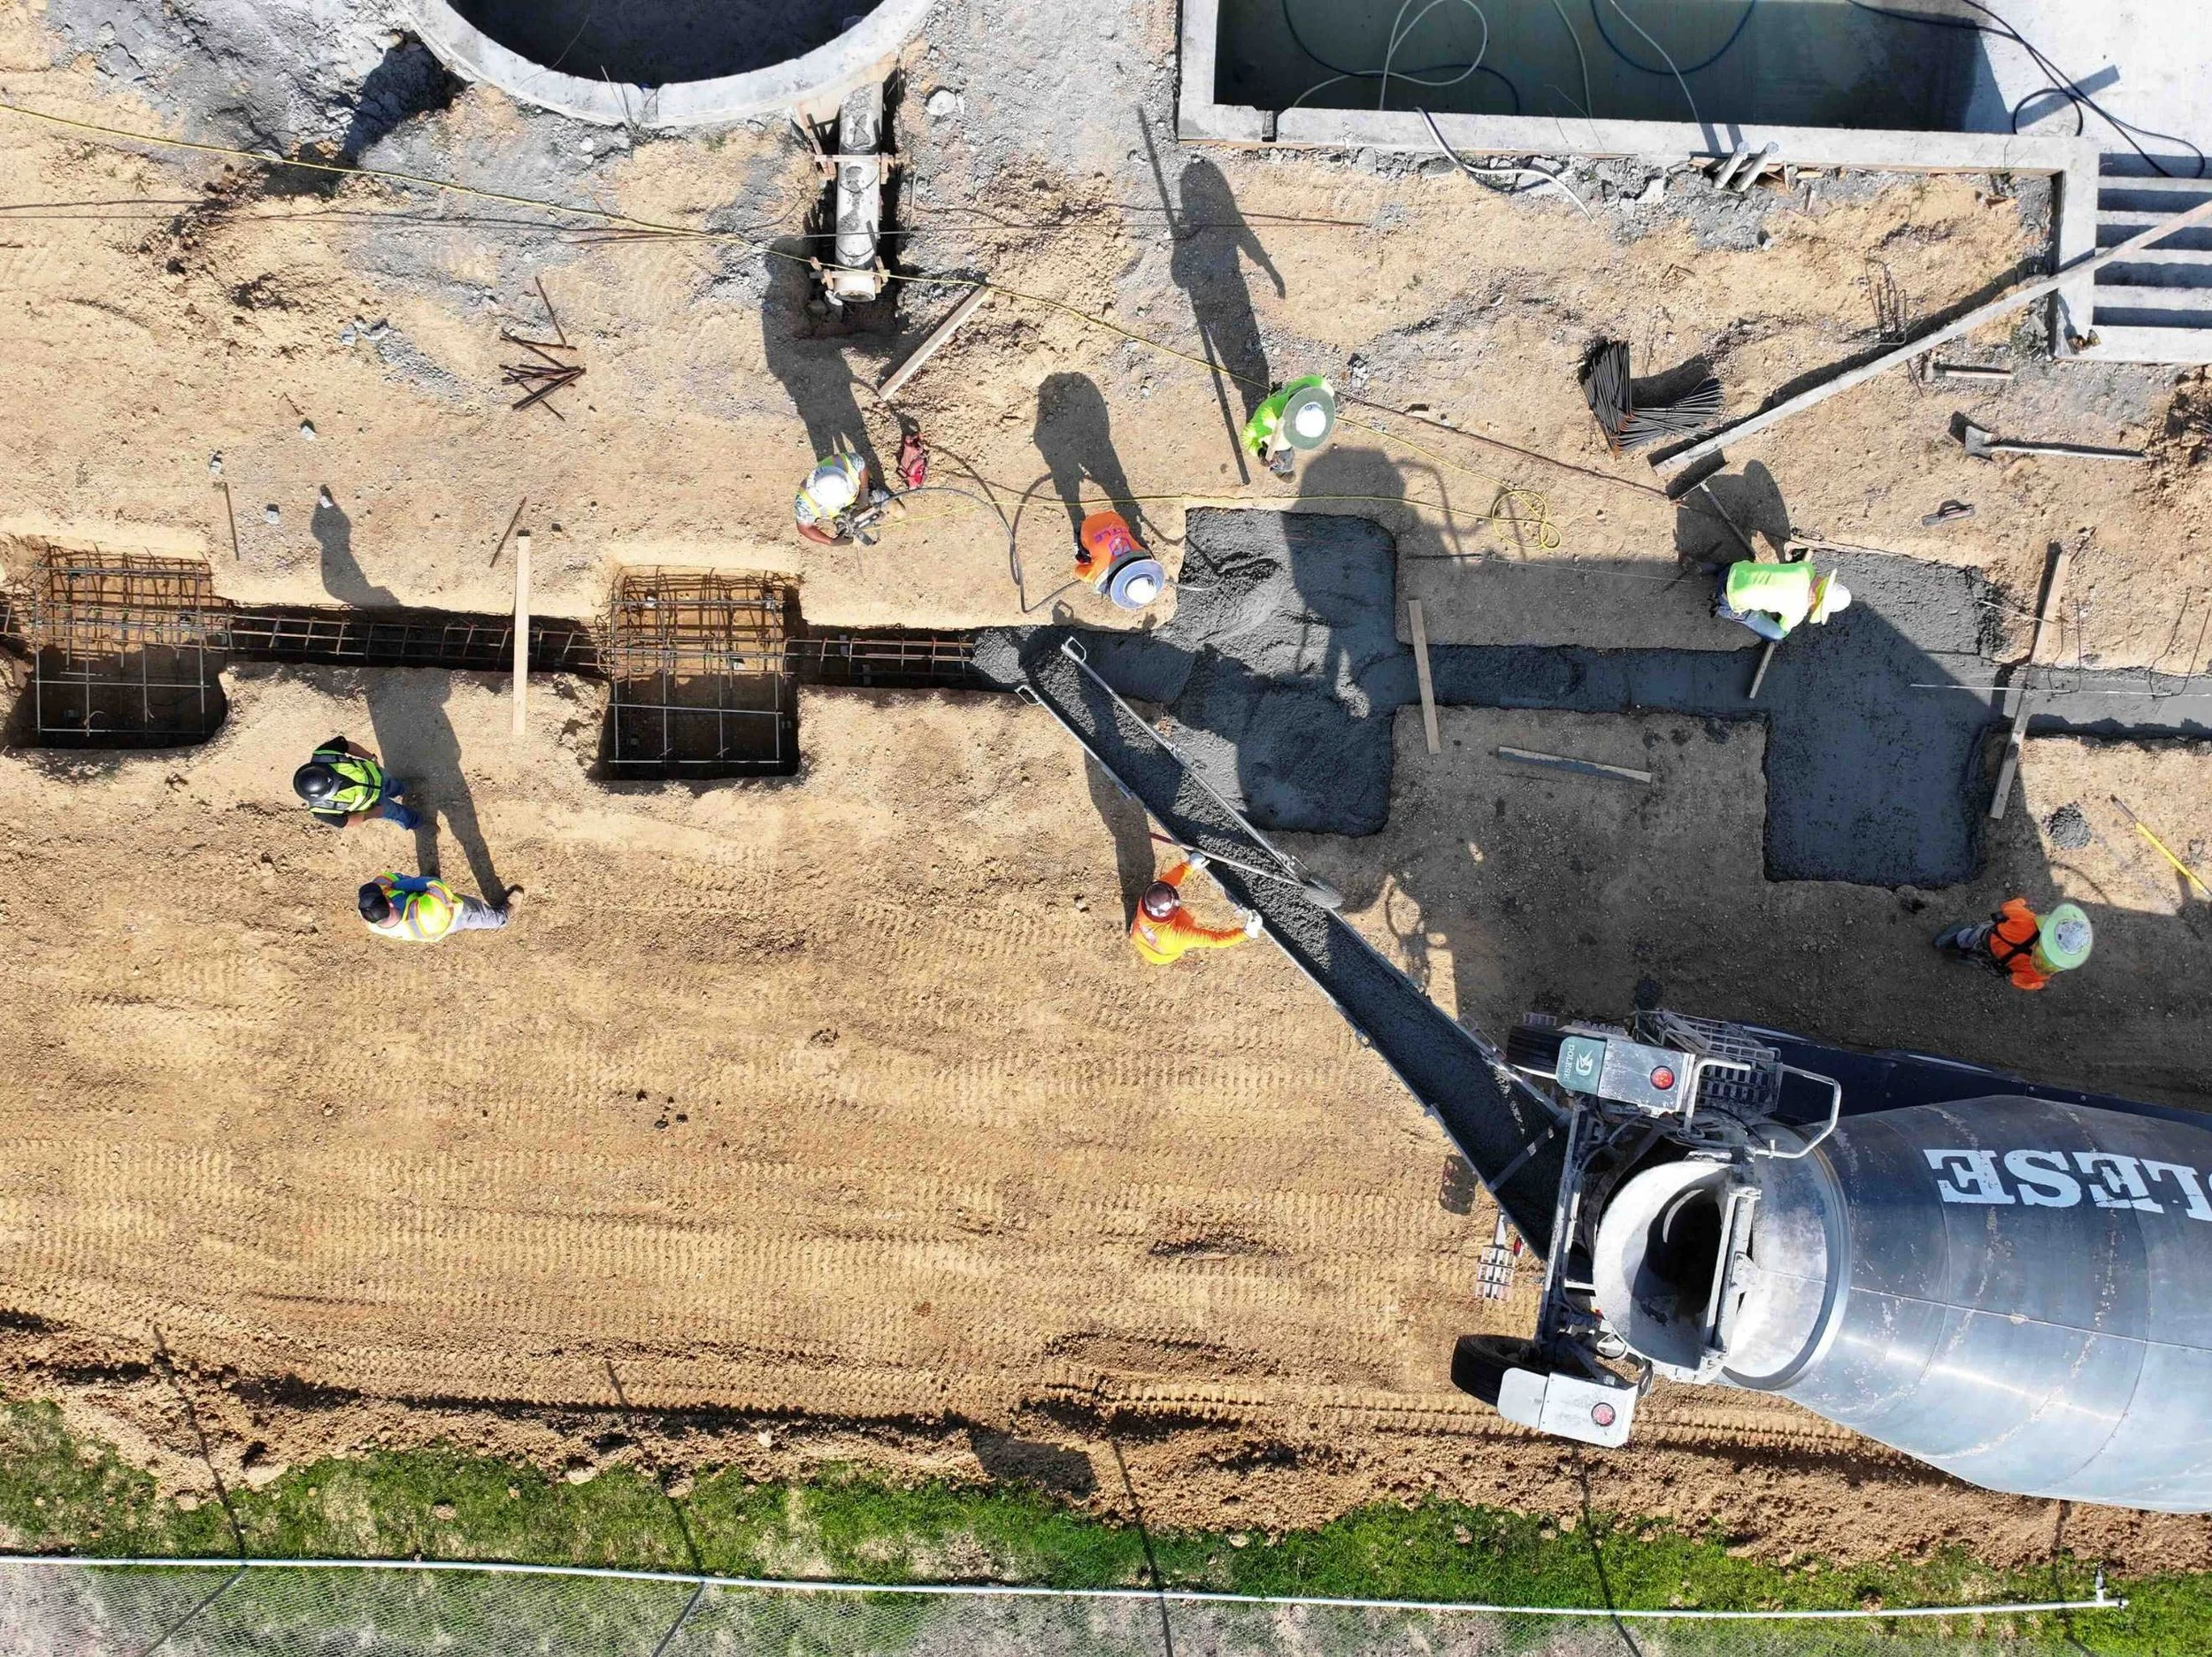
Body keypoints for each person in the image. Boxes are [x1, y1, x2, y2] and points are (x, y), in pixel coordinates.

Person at [1130, 854, 1263, 965]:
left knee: (1145, 927)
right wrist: (1246, 933)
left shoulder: (1148, 899)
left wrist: (1190, 865)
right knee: (1186, 920)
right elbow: (1215, 940)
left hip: (1139, 936)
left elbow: (1169, 882)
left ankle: (1132, 930)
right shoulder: (1180, 936)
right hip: (1161, 955)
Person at [1933, 898, 2093, 991]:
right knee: (1979, 961)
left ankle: (1948, 943)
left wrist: (2021, 901)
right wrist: (2038, 985)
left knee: (1968, 937)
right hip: (1997, 963)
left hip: (1986, 938)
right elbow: (2018, 981)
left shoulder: (2027, 920)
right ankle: (1964, 958)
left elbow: (2008, 907)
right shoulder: (2039, 972)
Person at [294, 735, 419, 830]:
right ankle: (417, 822)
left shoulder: (323, 754)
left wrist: (371, 758)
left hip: (378, 775)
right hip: (375, 804)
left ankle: (403, 790)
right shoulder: (320, 810)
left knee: (393, 784)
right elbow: (347, 822)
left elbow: (347, 745)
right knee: (396, 813)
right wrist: (373, 813)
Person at [1714, 560, 1852, 641]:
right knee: (1777, 634)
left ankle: (1711, 568)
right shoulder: (1797, 612)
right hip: (1728, 599)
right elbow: (1783, 628)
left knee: (1745, 572)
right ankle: (1723, 608)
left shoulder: (1806, 568)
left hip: (1734, 569)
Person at [358, 872, 513, 943]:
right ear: (390, 903)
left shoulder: (372, 921)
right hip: (451, 916)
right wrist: (399, 885)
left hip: (432, 926)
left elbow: (382, 879)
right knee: (473, 914)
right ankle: (503, 917)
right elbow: (435, 884)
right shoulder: (424, 913)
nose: (381, 888)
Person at [1240, 374, 1336, 478]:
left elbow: (1331, 394)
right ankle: (1282, 471)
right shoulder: (1268, 419)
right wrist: (1259, 452)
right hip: (1277, 442)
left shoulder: (1315, 383)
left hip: (1280, 402)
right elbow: (1247, 436)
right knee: (1282, 458)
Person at [1074, 509, 1166, 610]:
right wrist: (1092, 576)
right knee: (1083, 555)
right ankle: (1081, 535)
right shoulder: (1100, 575)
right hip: (1088, 525)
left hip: (1113, 517)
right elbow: (1078, 570)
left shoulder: (1144, 555)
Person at [793, 449, 888, 546]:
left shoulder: (844, 462)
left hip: (858, 495)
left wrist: (864, 492)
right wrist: (831, 542)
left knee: (882, 499)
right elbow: (804, 528)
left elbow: (861, 465)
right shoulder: (804, 503)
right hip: (838, 513)